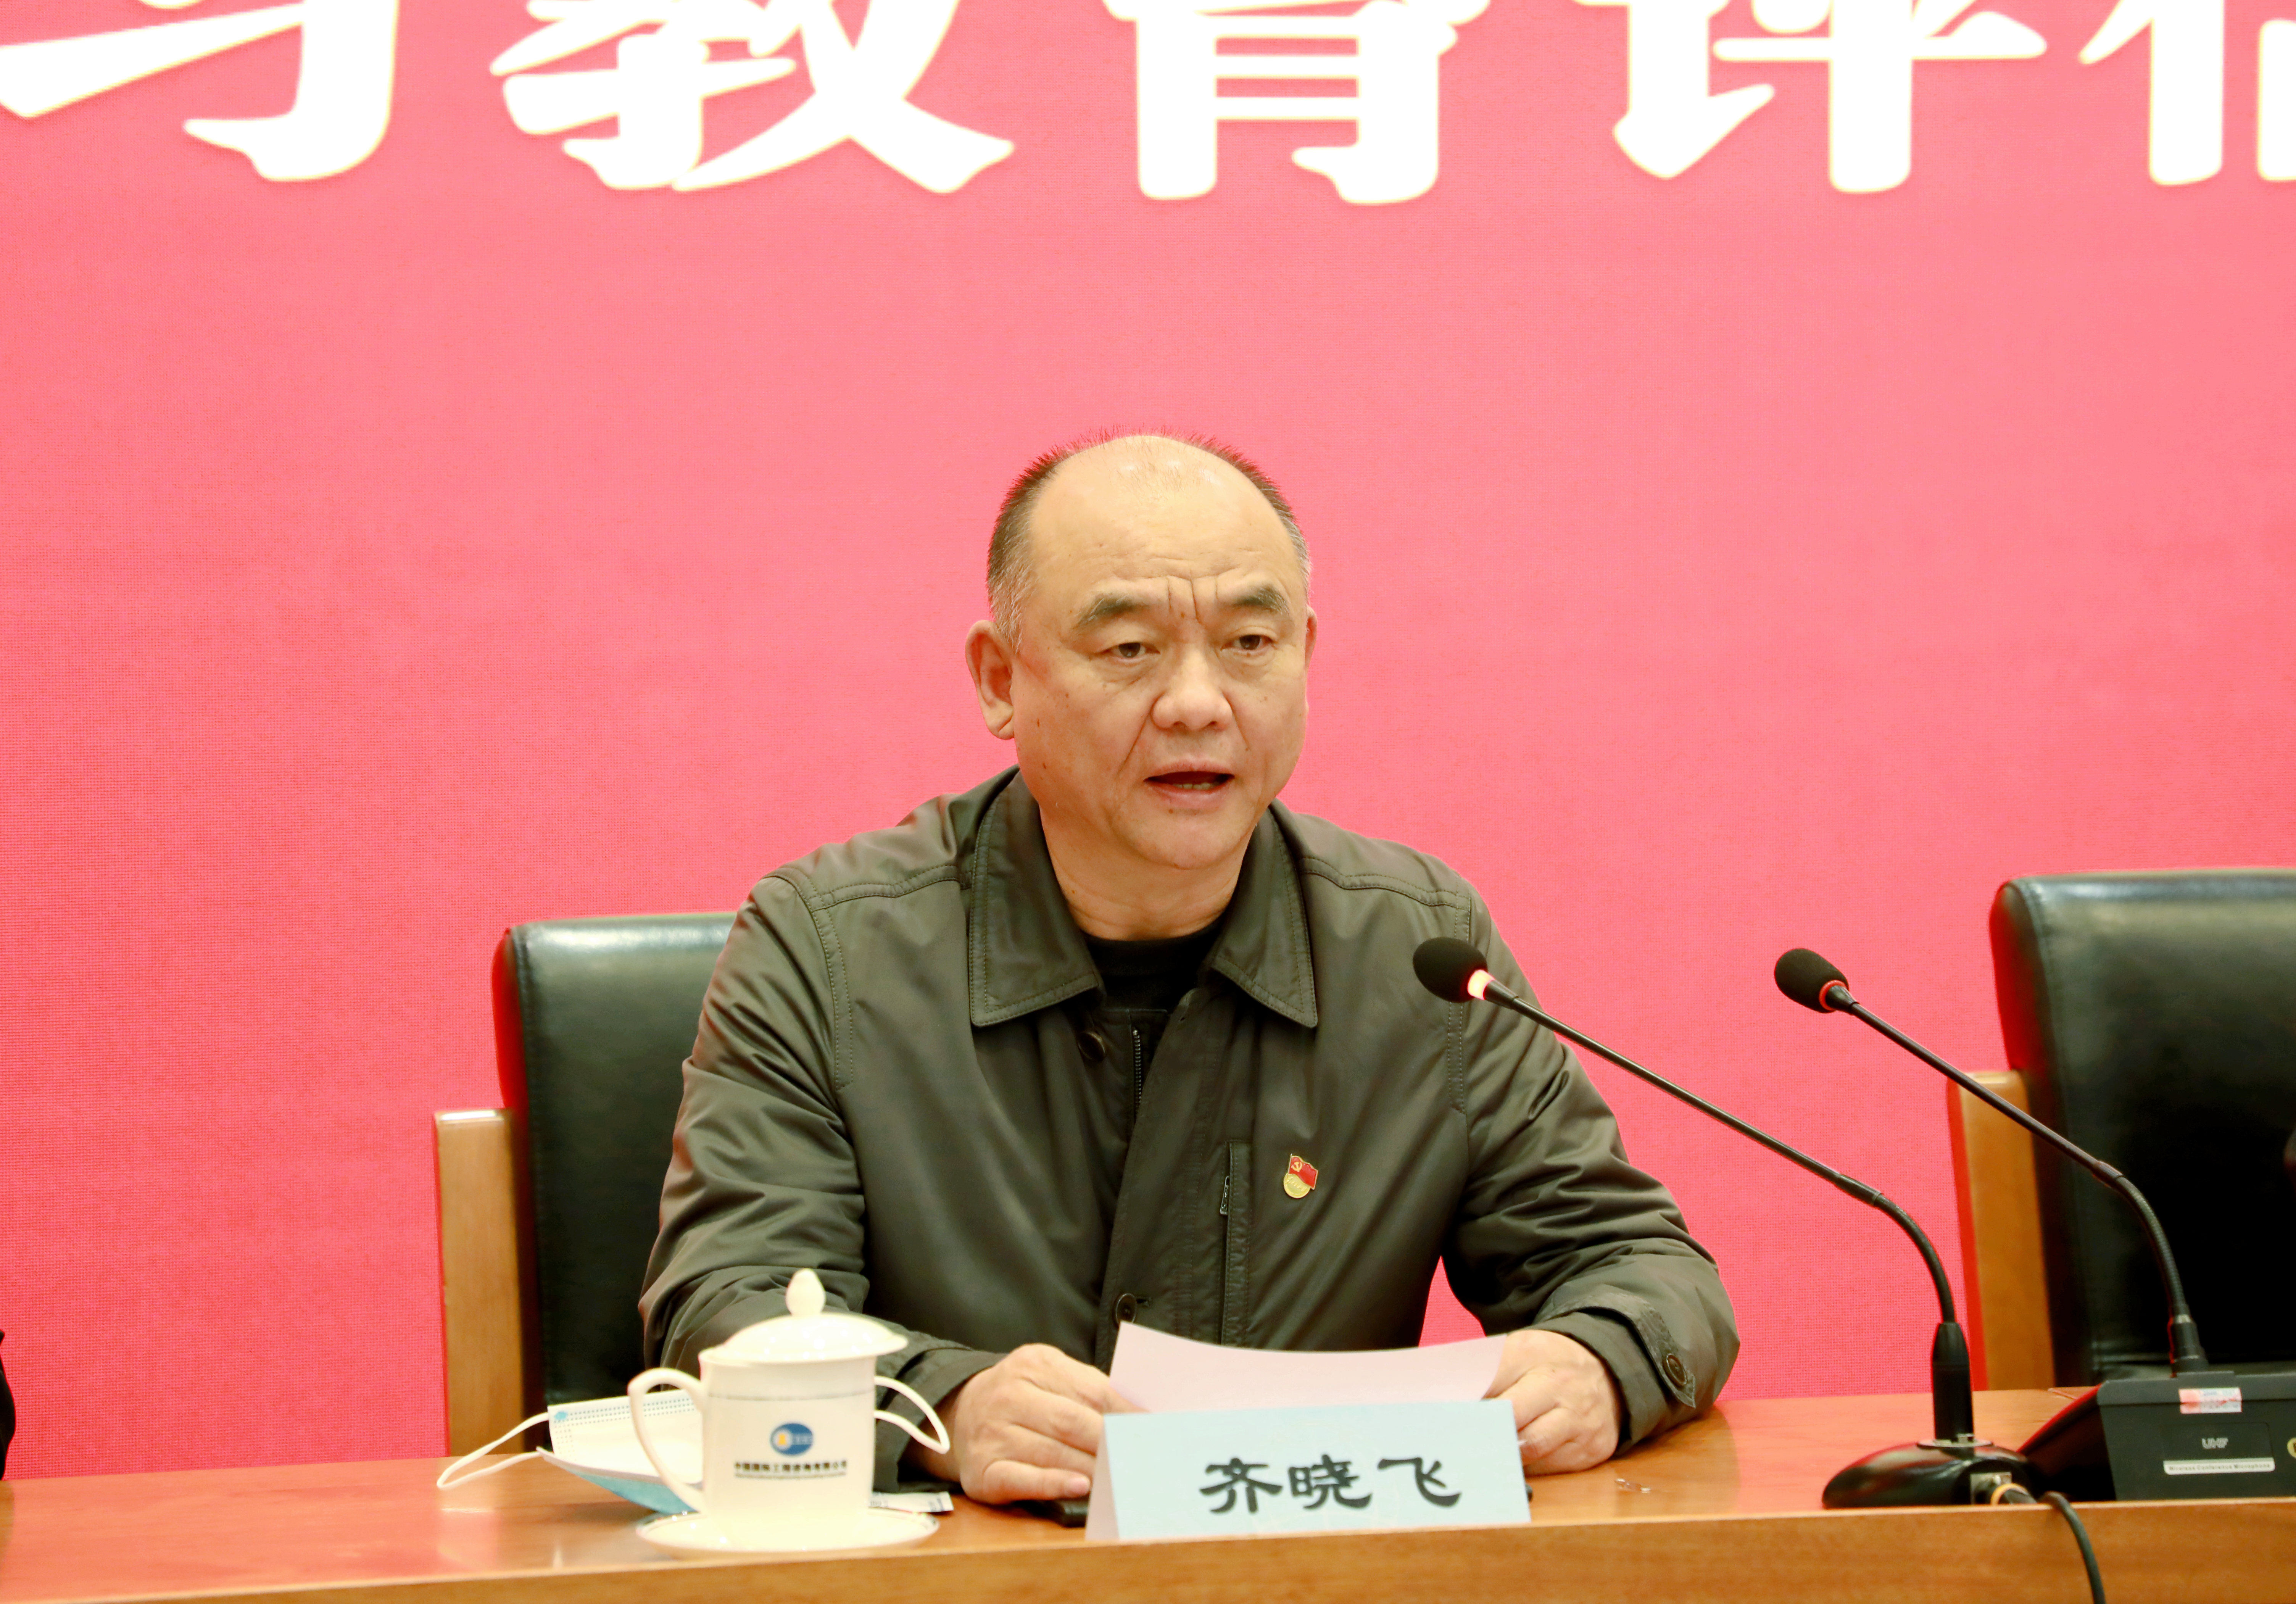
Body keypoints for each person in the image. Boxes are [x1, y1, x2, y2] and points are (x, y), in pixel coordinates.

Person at [640, 433, 1736, 1502]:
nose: (1199, 702)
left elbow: (1641, 1268)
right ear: (999, 679)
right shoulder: (827, 949)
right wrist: (949, 1406)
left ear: (1305, 654)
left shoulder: (1417, 951)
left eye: (1251, 642)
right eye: (1129, 649)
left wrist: (1599, 1362)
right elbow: (729, 1301)